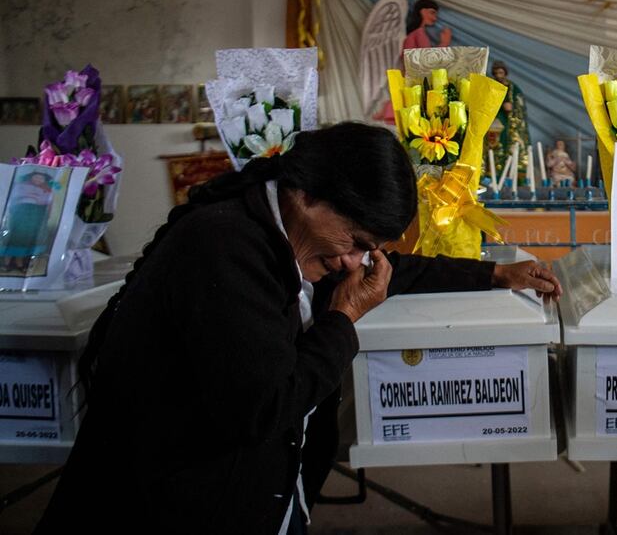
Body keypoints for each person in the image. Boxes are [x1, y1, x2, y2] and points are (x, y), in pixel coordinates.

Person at [34, 123, 561, 534]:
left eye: (367, 248)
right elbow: (262, 408)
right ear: (306, 195)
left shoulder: (283, 228)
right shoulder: (226, 250)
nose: (356, 262)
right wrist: (342, 320)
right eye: (353, 240)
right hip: (166, 508)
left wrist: (495, 273)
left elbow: (392, 270)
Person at [1, 170, 55, 274]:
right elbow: (13, 199)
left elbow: (48, 204)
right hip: (20, 214)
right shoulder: (20, 186)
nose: (38, 179)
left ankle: (19, 262)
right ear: (30, 177)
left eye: (41, 178)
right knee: (14, 237)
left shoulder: (47, 190)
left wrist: (47, 214)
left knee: (27, 239)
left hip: (36, 215)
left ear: (45, 180)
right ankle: (6, 262)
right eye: (36, 177)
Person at [491, 61, 531, 182]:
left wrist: (511, 107)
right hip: (494, 123)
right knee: (494, 151)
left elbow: (519, 106)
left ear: (505, 73)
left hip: (509, 124)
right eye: (496, 73)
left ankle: (512, 176)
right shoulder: (491, 86)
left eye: (501, 72)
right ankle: (493, 176)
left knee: (511, 148)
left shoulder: (513, 88)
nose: (499, 75)